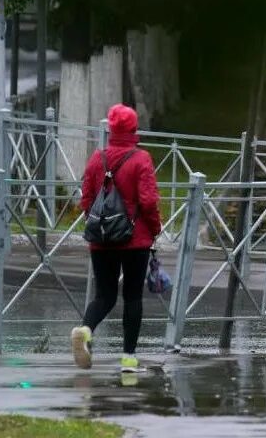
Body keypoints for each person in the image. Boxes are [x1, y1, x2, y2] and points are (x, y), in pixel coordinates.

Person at [71, 103, 161, 373]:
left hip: (102, 239)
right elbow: (148, 201)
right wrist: (155, 229)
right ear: (134, 129)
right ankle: (129, 360)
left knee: (104, 295)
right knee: (133, 297)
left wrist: (98, 225)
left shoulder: (98, 158)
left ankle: (85, 330)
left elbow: (86, 198)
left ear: (110, 129)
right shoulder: (141, 158)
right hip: (135, 240)